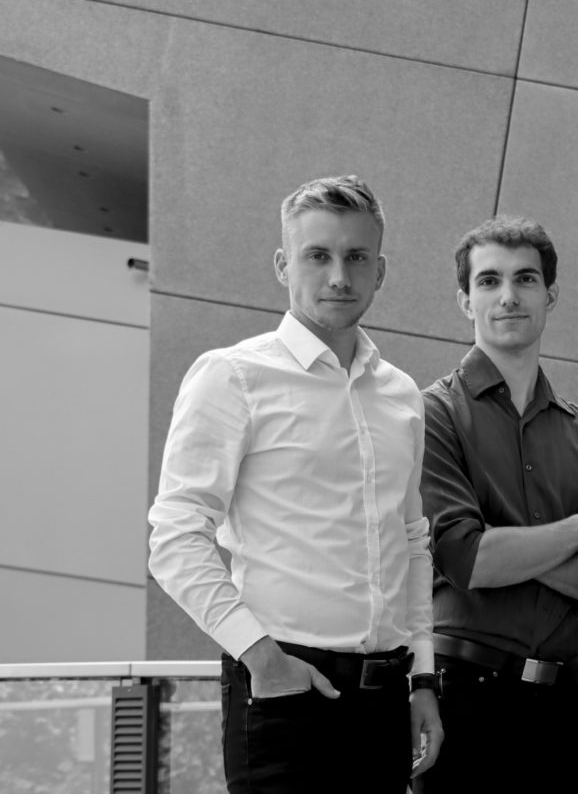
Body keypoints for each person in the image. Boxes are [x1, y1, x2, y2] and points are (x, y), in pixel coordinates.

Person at [147, 175, 442, 793]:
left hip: (386, 698)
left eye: (356, 257)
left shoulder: (401, 396)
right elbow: (175, 537)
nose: (339, 275)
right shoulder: (232, 377)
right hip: (282, 689)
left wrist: (422, 682)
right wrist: (261, 657)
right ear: (284, 265)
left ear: (380, 271)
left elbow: (412, 543)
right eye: (318, 255)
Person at [417, 216, 578, 793]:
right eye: (489, 281)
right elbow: (466, 559)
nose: (508, 296)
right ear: (464, 301)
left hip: (565, 703)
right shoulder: (430, 414)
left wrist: (507, 544)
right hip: (463, 694)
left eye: (525, 279)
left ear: (550, 295)